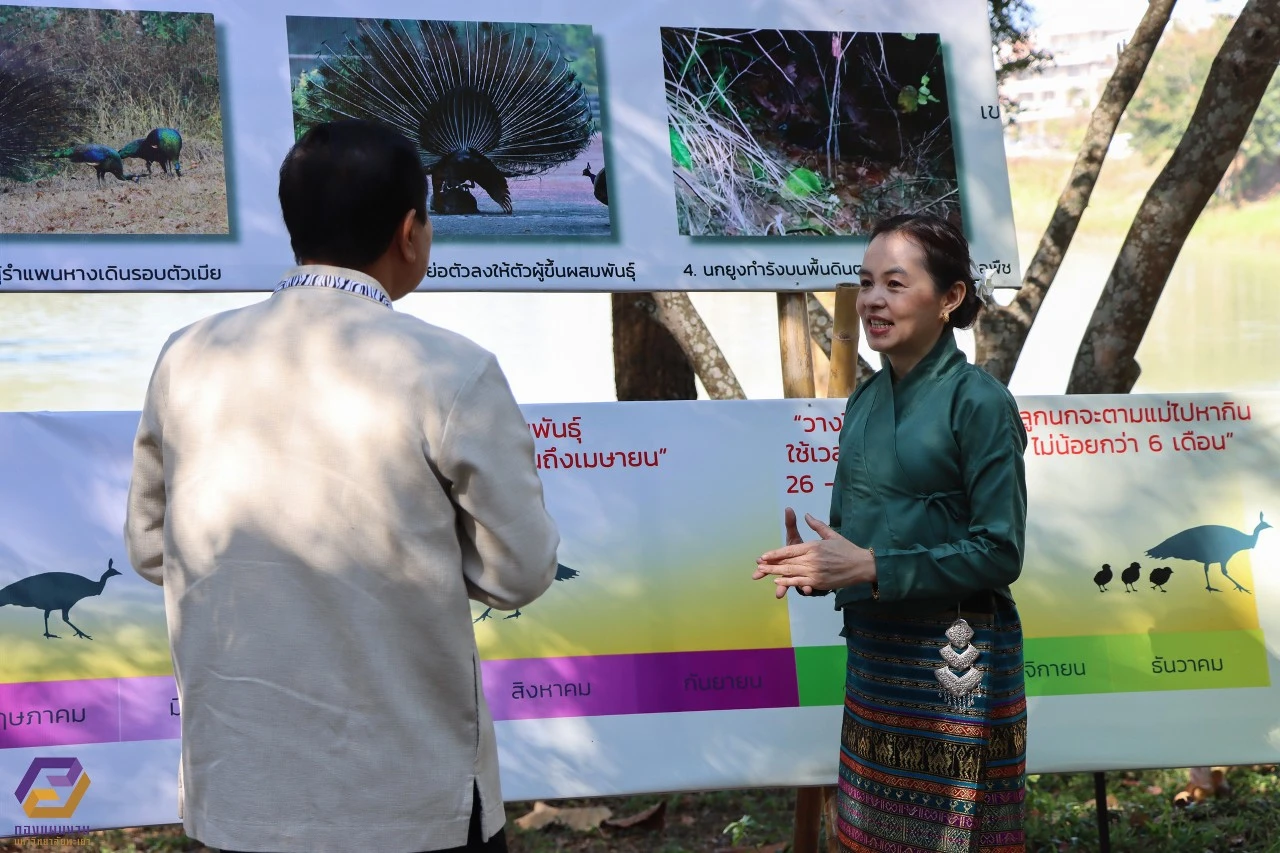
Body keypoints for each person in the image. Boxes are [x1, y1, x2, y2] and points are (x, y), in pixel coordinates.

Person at [124, 120, 560, 853]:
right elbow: (518, 571)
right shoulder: (451, 368)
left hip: (241, 795)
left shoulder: (188, 354)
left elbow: (149, 545)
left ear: (293, 226)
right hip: (412, 801)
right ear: (410, 231)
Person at [754, 214, 1028, 852]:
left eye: (896, 284)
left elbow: (999, 549)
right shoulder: (864, 402)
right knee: (872, 836)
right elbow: (853, 543)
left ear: (950, 297)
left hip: (957, 660)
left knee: (955, 838)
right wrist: (818, 567)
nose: (873, 300)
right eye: (866, 283)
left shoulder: (979, 402)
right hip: (877, 661)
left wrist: (874, 567)